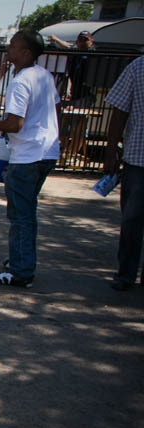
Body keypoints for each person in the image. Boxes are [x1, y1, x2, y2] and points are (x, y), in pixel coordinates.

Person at [0, 30, 60, 288]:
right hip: (46, 152)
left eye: (14, 46)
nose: (9, 49)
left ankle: (20, 272)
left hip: (27, 155)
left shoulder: (21, 80)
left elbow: (15, 123)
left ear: (26, 52)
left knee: (20, 215)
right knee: (27, 212)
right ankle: (21, 259)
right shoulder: (45, 76)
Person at [104, 56, 144, 291]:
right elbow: (119, 110)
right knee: (132, 220)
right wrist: (110, 150)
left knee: (132, 219)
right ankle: (126, 273)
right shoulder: (138, 67)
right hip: (138, 158)